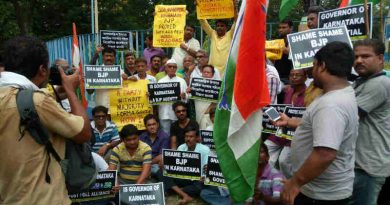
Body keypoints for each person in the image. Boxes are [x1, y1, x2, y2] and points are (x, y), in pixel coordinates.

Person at [0, 36, 91, 204]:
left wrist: (59, 92)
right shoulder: (39, 101)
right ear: (42, 70)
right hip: (43, 199)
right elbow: (83, 132)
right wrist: (71, 91)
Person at [275, 42, 358, 205]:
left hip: (320, 196)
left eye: (313, 65)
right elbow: (320, 126)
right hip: (320, 190)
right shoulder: (340, 93)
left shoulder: (331, 104)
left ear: (322, 66)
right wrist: (290, 121)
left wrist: (295, 182)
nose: (312, 71)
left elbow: (325, 153)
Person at [350, 39, 390, 205]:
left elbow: (348, 116)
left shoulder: (379, 83)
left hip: (368, 168)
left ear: (380, 58)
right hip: (359, 165)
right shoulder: (360, 82)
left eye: (365, 56)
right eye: (356, 56)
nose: (359, 60)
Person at [265, 69, 306, 178]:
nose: (294, 77)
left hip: (294, 135)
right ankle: (268, 180)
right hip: (280, 131)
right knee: (265, 150)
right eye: (292, 75)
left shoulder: (308, 94)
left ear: (305, 77)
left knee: (284, 161)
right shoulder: (288, 91)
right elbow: (281, 109)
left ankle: (289, 184)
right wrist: (274, 117)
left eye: (298, 75)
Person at [161, 124, 210, 205]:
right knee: (161, 172)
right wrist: (166, 166)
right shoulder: (181, 148)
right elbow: (175, 167)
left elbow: (206, 169)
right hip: (182, 178)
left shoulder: (205, 150)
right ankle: (183, 194)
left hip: (197, 180)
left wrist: (203, 177)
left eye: (191, 137)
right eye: (186, 137)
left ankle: (174, 190)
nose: (188, 139)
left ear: (197, 138)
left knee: (199, 188)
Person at [198, 2, 237, 76]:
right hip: (212, 72)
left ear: (226, 28)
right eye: (218, 26)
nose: (219, 27)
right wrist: (199, 7)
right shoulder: (213, 34)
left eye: (222, 26)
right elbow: (203, 22)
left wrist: (235, 7)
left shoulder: (230, 35)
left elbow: (236, 21)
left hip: (226, 71)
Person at [157, 59, 188, 135]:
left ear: (176, 68)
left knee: (177, 135)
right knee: (166, 135)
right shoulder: (160, 81)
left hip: (177, 114)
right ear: (166, 68)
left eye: (174, 67)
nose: (172, 68)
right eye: (170, 66)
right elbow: (156, 98)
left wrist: (184, 96)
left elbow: (187, 98)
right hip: (164, 113)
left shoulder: (182, 81)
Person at [89, 46, 117, 113]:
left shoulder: (121, 72)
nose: (109, 58)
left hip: (116, 110)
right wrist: (89, 81)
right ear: (103, 57)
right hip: (101, 110)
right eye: (107, 56)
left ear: (114, 58)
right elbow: (90, 91)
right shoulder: (96, 72)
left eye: (111, 56)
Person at [274, 19, 294, 85]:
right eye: (279, 28)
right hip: (278, 74)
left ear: (291, 28)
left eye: (284, 27)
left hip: (291, 76)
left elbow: (295, 55)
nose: (280, 30)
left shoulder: (295, 39)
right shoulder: (277, 39)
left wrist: (284, 49)